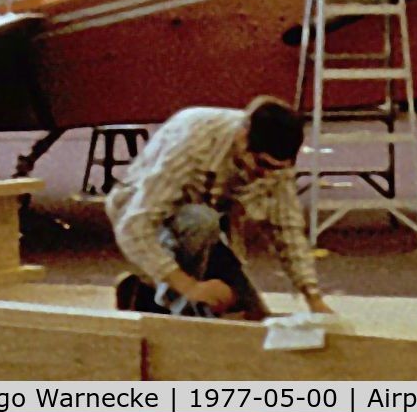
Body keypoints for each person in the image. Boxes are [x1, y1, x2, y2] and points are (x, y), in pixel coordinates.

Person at [107, 97, 332, 320]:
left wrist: (313, 298)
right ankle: (163, 298)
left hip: (208, 236)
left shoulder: (272, 164)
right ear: (242, 138)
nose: (267, 174)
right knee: (200, 221)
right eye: (262, 164)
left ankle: (148, 295)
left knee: (255, 322)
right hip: (148, 219)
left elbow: (287, 230)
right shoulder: (194, 142)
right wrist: (190, 287)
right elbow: (134, 226)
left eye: (278, 168)